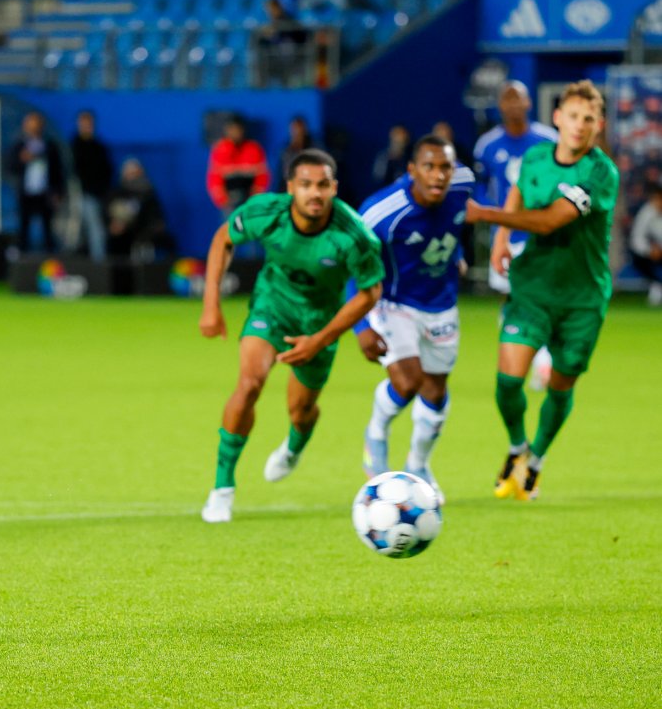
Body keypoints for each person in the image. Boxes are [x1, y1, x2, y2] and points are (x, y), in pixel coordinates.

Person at [198, 149, 384, 522]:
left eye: (322, 185)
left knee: (300, 411)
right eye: (305, 185)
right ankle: (222, 488)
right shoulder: (266, 212)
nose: (314, 193)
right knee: (249, 384)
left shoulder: (354, 236)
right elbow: (224, 238)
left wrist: (319, 339)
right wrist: (211, 304)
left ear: (334, 187)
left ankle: (294, 447)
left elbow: (369, 292)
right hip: (272, 306)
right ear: (290, 188)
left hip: (320, 322)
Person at [465, 80, 619, 501]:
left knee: (560, 386)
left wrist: (484, 215)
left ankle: (537, 460)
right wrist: (499, 238)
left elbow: (551, 220)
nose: (580, 125)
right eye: (573, 116)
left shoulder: (600, 173)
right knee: (508, 382)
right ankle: (517, 447)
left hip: (581, 299)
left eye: (589, 119)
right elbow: (517, 192)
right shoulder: (534, 157)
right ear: (557, 118)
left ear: (598, 125)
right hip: (532, 287)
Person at [355, 135, 476, 503]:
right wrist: (361, 326)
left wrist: (458, 252)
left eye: (445, 167)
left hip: (441, 303)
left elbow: (458, 220)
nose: (439, 176)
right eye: (429, 167)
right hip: (393, 303)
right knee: (408, 383)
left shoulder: (464, 184)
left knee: (435, 392)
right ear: (412, 171)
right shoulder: (381, 212)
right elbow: (354, 266)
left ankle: (418, 465)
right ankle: (375, 434)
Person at [473, 80, 560, 390]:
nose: (512, 104)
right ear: (499, 106)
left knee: (540, 298)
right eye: (506, 98)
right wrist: (490, 210)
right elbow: (480, 183)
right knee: (510, 299)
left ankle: (544, 363)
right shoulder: (487, 145)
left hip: (540, 231)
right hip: (505, 235)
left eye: (517, 98)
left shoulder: (548, 140)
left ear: (529, 104)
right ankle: (516, 358)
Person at [8, 112, 64, 254]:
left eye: (36, 124)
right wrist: (22, 159)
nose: (33, 128)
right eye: (30, 124)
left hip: (45, 194)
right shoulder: (19, 145)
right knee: (23, 228)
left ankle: (50, 263)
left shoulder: (50, 146)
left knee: (47, 229)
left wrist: (58, 192)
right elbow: (10, 166)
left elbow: (57, 171)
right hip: (26, 193)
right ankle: (22, 262)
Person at [104, 158, 173, 260]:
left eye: (136, 173)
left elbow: (155, 216)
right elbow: (109, 212)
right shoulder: (117, 193)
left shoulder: (148, 193)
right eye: (130, 173)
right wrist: (114, 223)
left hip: (142, 229)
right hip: (123, 232)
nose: (133, 177)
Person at [205, 116, 270, 218]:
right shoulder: (219, 150)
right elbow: (214, 179)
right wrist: (223, 201)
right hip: (229, 204)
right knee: (229, 231)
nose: (235, 132)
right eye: (232, 129)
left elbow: (262, 176)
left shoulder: (254, 149)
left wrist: (254, 198)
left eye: (238, 129)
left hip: (250, 203)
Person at [70, 110, 113, 262]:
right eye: (84, 123)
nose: (87, 126)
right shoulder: (73, 146)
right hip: (77, 195)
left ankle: (98, 266)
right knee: (76, 234)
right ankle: (77, 265)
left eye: (89, 123)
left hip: (95, 195)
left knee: (96, 231)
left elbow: (106, 171)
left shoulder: (99, 146)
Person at [628, 183, 662, 306]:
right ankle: (657, 285)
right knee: (638, 259)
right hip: (650, 254)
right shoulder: (647, 212)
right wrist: (649, 250)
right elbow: (637, 239)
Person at [276, 115, 316, 193]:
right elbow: (282, 174)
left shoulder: (315, 148)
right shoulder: (285, 150)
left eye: (299, 128)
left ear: (305, 130)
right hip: (289, 187)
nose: (297, 131)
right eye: (294, 129)